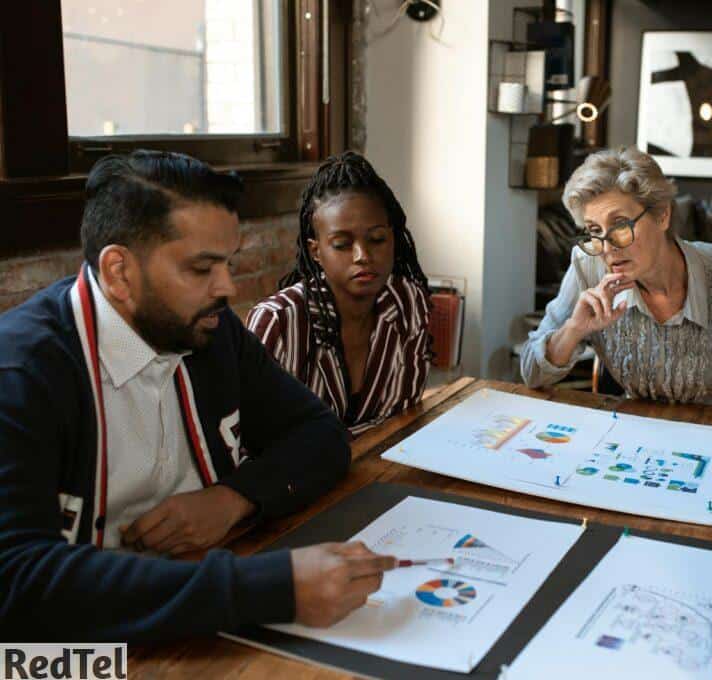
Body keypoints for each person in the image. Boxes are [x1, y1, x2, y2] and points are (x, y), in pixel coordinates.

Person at [0, 150, 396, 641]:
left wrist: (233, 499)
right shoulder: (21, 371)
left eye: (227, 263)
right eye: (201, 268)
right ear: (120, 273)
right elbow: (17, 581)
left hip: (199, 617)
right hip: (51, 657)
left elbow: (321, 435)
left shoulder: (210, 330)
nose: (227, 288)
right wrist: (266, 588)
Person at [521, 146, 712, 411]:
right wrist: (573, 330)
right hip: (632, 445)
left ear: (662, 215)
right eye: (595, 231)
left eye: (621, 225)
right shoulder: (587, 269)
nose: (608, 247)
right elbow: (531, 371)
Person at [246, 152, 432, 436]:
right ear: (316, 251)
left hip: (381, 469)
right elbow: (254, 442)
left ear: (393, 238)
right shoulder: (279, 322)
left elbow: (402, 420)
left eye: (377, 239)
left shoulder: (408, 302)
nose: (362, 256)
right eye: (342, 244)